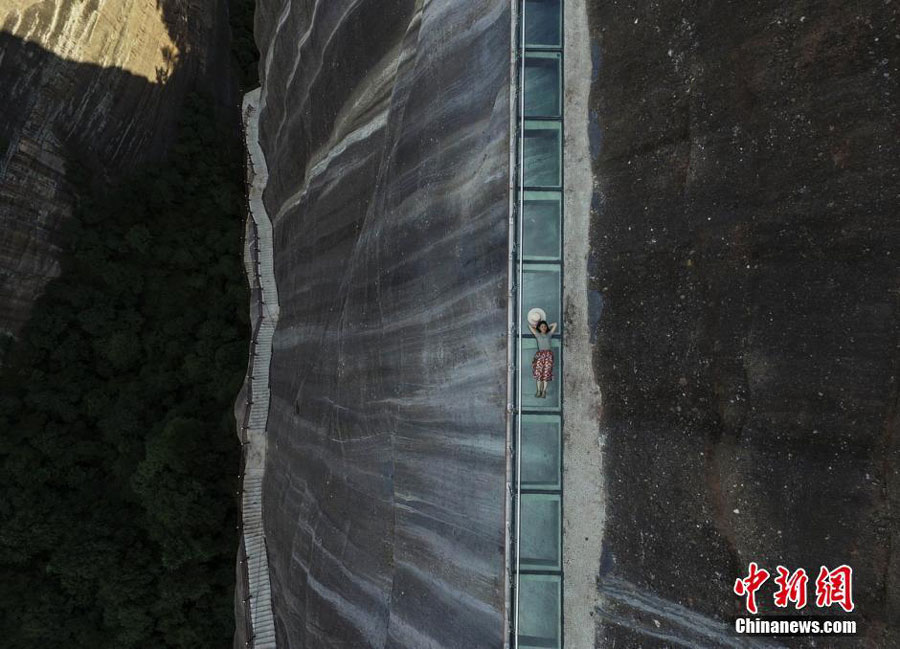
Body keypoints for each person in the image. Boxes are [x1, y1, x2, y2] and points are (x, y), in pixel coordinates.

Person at [528, 319, 557, 398]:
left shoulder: (549, 334)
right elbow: (529, 326)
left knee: (546, 374)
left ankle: (544, 391)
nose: (544, 328)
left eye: (545, 326)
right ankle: (538, 391)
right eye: (542, 326)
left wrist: (549, 326)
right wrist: (535, 327)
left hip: (548, 355)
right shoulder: (537, 334)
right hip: (540, 355)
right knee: (538, 374)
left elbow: (555, 324)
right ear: (539, 328)